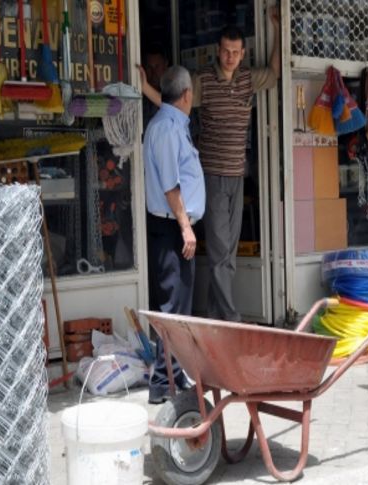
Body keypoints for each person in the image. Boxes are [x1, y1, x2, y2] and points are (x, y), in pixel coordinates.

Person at [142, 8, 281, 321]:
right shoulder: (203, 81)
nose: (230, 57)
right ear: (218, 51)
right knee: (220, 254)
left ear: (242, 53)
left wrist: (278, 28)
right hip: (212, 177)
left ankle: (215, 315)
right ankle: (230, 319)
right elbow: (172, 101)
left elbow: (275, 71)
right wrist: (143, 87)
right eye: (226, 52)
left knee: (228, 255)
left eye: (235, 53)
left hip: (237, 176)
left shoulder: (247, 79)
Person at [143, 65, 205, 404]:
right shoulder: (167, 128)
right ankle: (162, 384)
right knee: (172, 308)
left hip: (175, 225)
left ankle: (174, 374)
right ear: (186, 95)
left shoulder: (172, 123)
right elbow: (170, 185)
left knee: (178, 308)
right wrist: (185, 227)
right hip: (171, 227)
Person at [141, 44, 169, 128]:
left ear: (165, 65)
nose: (153, 72)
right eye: (149, 67)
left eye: (157, 66)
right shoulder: (139, 98)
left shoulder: (174, 93)